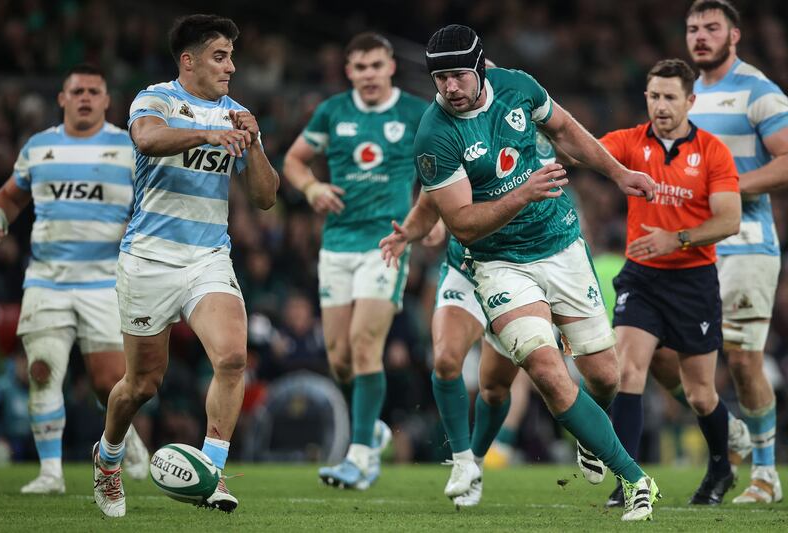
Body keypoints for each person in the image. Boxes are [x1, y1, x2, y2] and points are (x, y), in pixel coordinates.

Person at [414, 24, 660, 521]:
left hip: (561, 245)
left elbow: (566, 130)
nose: (450, 88)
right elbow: (462, 225)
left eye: (459, 75)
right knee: (546, 370)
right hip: (499, 263)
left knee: (605, 378)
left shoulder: (519, 87)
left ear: (481, 67)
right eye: (440, 79)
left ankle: (591, 438)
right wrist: (522, 193)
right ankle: (637, 480)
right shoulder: (434, 135)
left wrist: (619, 174)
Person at [90, 15, 279, 518]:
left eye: (233, 57)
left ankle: (211, 471)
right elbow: (148, 139)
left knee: (233, 358)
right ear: (188, 60)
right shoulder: (156, 99)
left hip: (207, 256)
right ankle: (108, 457)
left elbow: (265, 198)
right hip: (149, 258)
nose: (231, 67)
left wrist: (254, 141)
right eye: (221, 56)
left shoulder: (237, 114)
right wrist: (207, 134)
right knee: (142, 385)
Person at [380, 132, 601, 509]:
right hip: (467, 270)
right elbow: (433, 196)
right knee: (446, 360)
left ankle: (479, 459)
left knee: (497, 388)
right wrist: (420, 227)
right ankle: (462, 461)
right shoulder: (453, 138)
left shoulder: (540, 142)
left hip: (521, 276)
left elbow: (572, 221)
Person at [0, 64, 149, 495]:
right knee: (41, 371)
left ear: (106, 100)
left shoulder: (127, 147)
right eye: (77, 90)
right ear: (61, 98)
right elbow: (10, 194)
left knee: (109, 382)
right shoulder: (39, 148)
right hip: (46, 279)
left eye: (93, 91)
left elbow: (150, 204)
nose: (84, 98)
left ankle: (128, 440)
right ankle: (50, 473)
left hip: (104, 283)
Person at [282, 32, 428, 490]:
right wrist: (312, 188)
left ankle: (360, 455)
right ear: (349, 71)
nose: (368, 75)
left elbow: (442, 167)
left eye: (376, 66)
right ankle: (372, 429)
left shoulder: (415, 113)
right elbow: (294, 160)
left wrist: (430, 216)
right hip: (337, 245)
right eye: (360, 67)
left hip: (385, 243)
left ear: (390, 67)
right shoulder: (333, 112)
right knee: (340, 359)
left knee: (366, 346)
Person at [595, 59, 741, 506]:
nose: (661, 106)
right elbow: (581, 149)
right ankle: (629, 480)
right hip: (641, 278)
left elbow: (729, 220)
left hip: (694, 280)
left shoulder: (713, 151)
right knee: (628, 370)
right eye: (654, 96)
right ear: (646, 98)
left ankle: (721, 467)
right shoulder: (630, 142)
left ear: (690, 101)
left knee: (700, 394)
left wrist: (674, 239)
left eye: (670, 97)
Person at [685, 0, 788, 504]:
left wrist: (729, 186)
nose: (700, 36)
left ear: (734, 36)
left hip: (746, 243)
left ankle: (766, 474)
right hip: (693, 245)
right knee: (659, 351)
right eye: (693, 29)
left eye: (711, 28)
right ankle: (733, 432)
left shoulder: (758, 91)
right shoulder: (683, 96)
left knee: (744, 361)